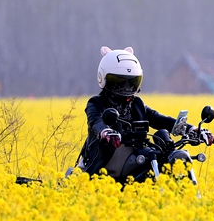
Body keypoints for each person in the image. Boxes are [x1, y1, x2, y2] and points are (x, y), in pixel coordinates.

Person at [75, 46, 187, 181]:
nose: (126, 87)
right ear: (103, 78)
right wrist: (106, 132)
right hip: (102, 165)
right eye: (119, 82)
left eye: (131, 82)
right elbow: (95, 121)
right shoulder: (96, 103)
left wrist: (191, 129)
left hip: (133, 163)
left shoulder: (136, 104)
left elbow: (158, 118)